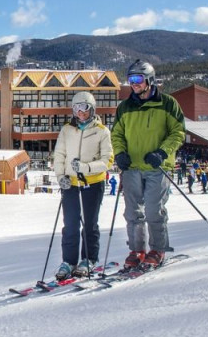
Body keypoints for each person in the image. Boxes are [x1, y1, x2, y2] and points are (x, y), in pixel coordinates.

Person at [111, 59, 185, 270]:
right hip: (131, 167)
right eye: (130, 79)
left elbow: (178, 132)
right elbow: (117, 134)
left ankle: (157, 249)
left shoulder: (168, 103)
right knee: (133, 212)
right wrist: (120, 153)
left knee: (154, 210)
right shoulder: (124, 107)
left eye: (138, 79)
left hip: (156, 167)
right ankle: (137, 250)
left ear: (149, 80)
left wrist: (162, 152)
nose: (133, 84)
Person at [52, 91, 113, 279]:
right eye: (76, 108)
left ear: (92, 109)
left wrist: (86, 168)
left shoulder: (101, 131)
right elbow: (59, 155)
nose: (80, 112)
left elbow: (108, 160)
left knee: (89, 223)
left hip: (92, 183)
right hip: (70, 183)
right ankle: (69, 261)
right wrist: (60, 175)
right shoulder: (67, 130)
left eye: (84, 108)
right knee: (70, 224)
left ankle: (89, 258)